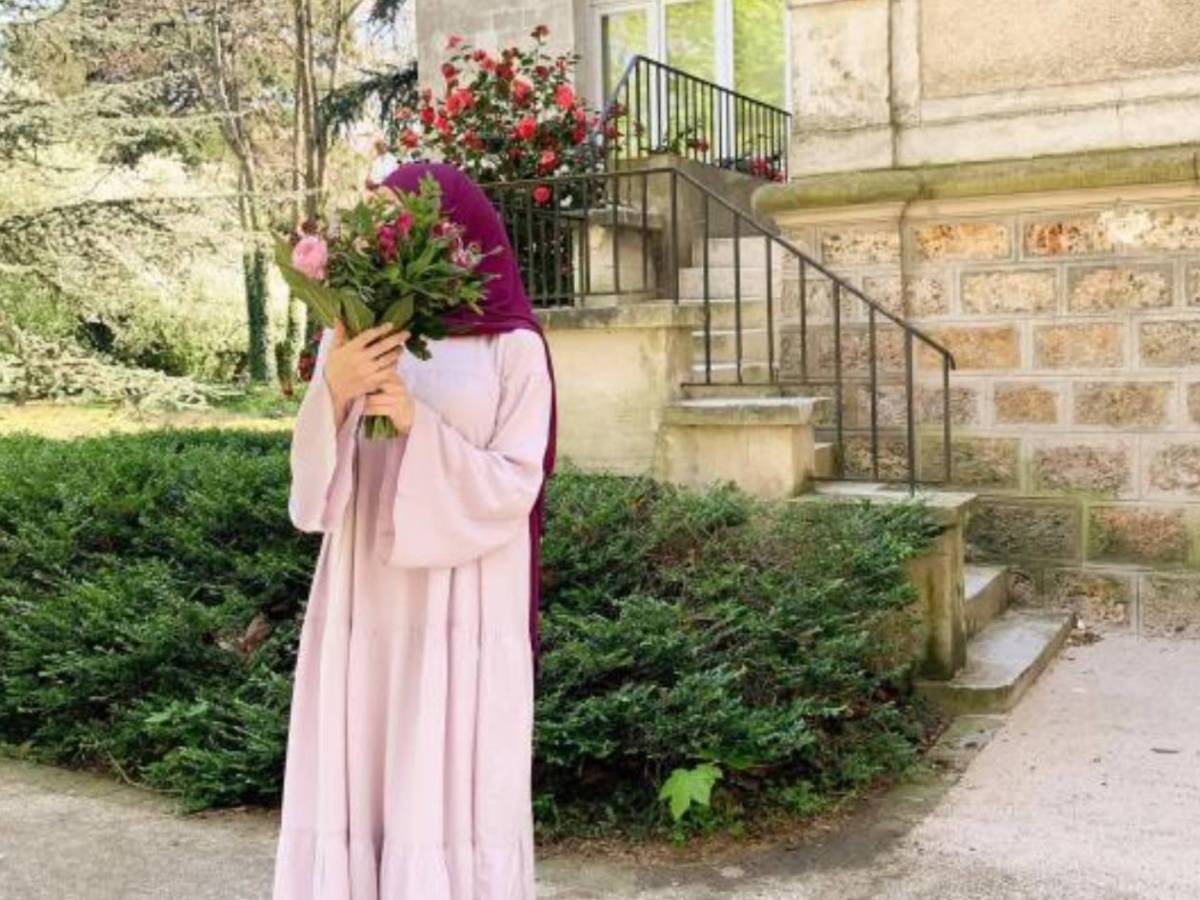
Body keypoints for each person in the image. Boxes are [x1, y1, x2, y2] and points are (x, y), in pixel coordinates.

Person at [272, 162, 556, 899]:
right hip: (365, 592)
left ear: (456, 230)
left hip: (461, 603)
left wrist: (415, 425)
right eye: (383, 222)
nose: (390, 236)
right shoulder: (359, 328)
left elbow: (517, 481)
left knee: (444, 776)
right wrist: (333, 390)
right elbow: (310, 490)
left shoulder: (513, 348)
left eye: (409, 221)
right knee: (362, 768)